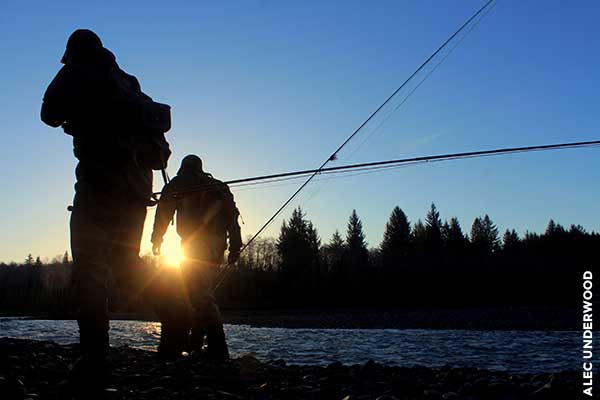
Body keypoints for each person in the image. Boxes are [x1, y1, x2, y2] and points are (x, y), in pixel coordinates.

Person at [41, 29, 171, 391]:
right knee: (128, 268)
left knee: (90, 267)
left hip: (99, 184)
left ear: (73, 52)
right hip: (136, 189)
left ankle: (94, 358)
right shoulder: (130, 83)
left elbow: (48, 113)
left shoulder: (79, 70)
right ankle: (177, 321)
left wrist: (77, 116)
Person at [151, 155, 242, 361]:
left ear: (183, 167)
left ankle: (218, 348)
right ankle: (196, 344)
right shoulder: (219, 186)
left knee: (199, 294)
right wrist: (235, 246)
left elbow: (163, 211)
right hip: (218, 247)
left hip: (193, 244)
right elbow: (232, 218)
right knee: (202, 292)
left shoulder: (179, 182)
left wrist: (157, 238)